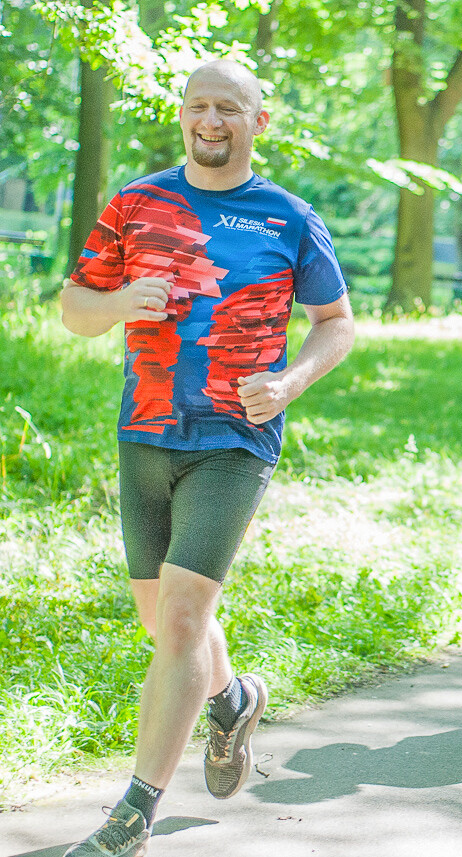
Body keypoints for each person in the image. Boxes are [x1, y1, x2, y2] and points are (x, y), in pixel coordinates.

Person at [60, 60, 355, 856]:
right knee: (162, 621)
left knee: (186, 616)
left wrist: (290, 381)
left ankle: (134, 812)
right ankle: (231, 700)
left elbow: (336, 322)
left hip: (235, 440)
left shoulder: (289, 217)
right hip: (145, 433)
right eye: (199, 106)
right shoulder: (136, 202)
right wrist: (119, 303)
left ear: (262, 119)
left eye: (230, 107)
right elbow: (73, 306)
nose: (212, 120)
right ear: (183, 115)